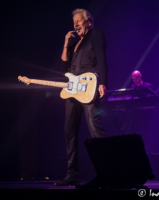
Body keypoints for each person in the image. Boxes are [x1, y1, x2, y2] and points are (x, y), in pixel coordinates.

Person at [54, 8, 108, 186]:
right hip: (73, 89)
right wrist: (66, 43)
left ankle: (106, 172)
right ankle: (72, 174)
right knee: (69, 130)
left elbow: (101, 58)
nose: (75, 24)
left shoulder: (95, 34)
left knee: (94, 127)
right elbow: (64, 70)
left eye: (79, 21)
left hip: (89, 85)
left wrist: (103, 82)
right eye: (74, 22)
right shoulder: (75, 44)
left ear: (89, 22)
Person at [129, 70, 158, 147]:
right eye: (133, 79)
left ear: (140, 76)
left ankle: (146, 148)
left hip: (146, 113)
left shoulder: (148, 86)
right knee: (133, 129)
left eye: (136, 78)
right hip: (136, 113)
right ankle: (134, 147)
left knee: (145, 130)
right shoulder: (132, 87)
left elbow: (153, 99)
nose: (134, 80)